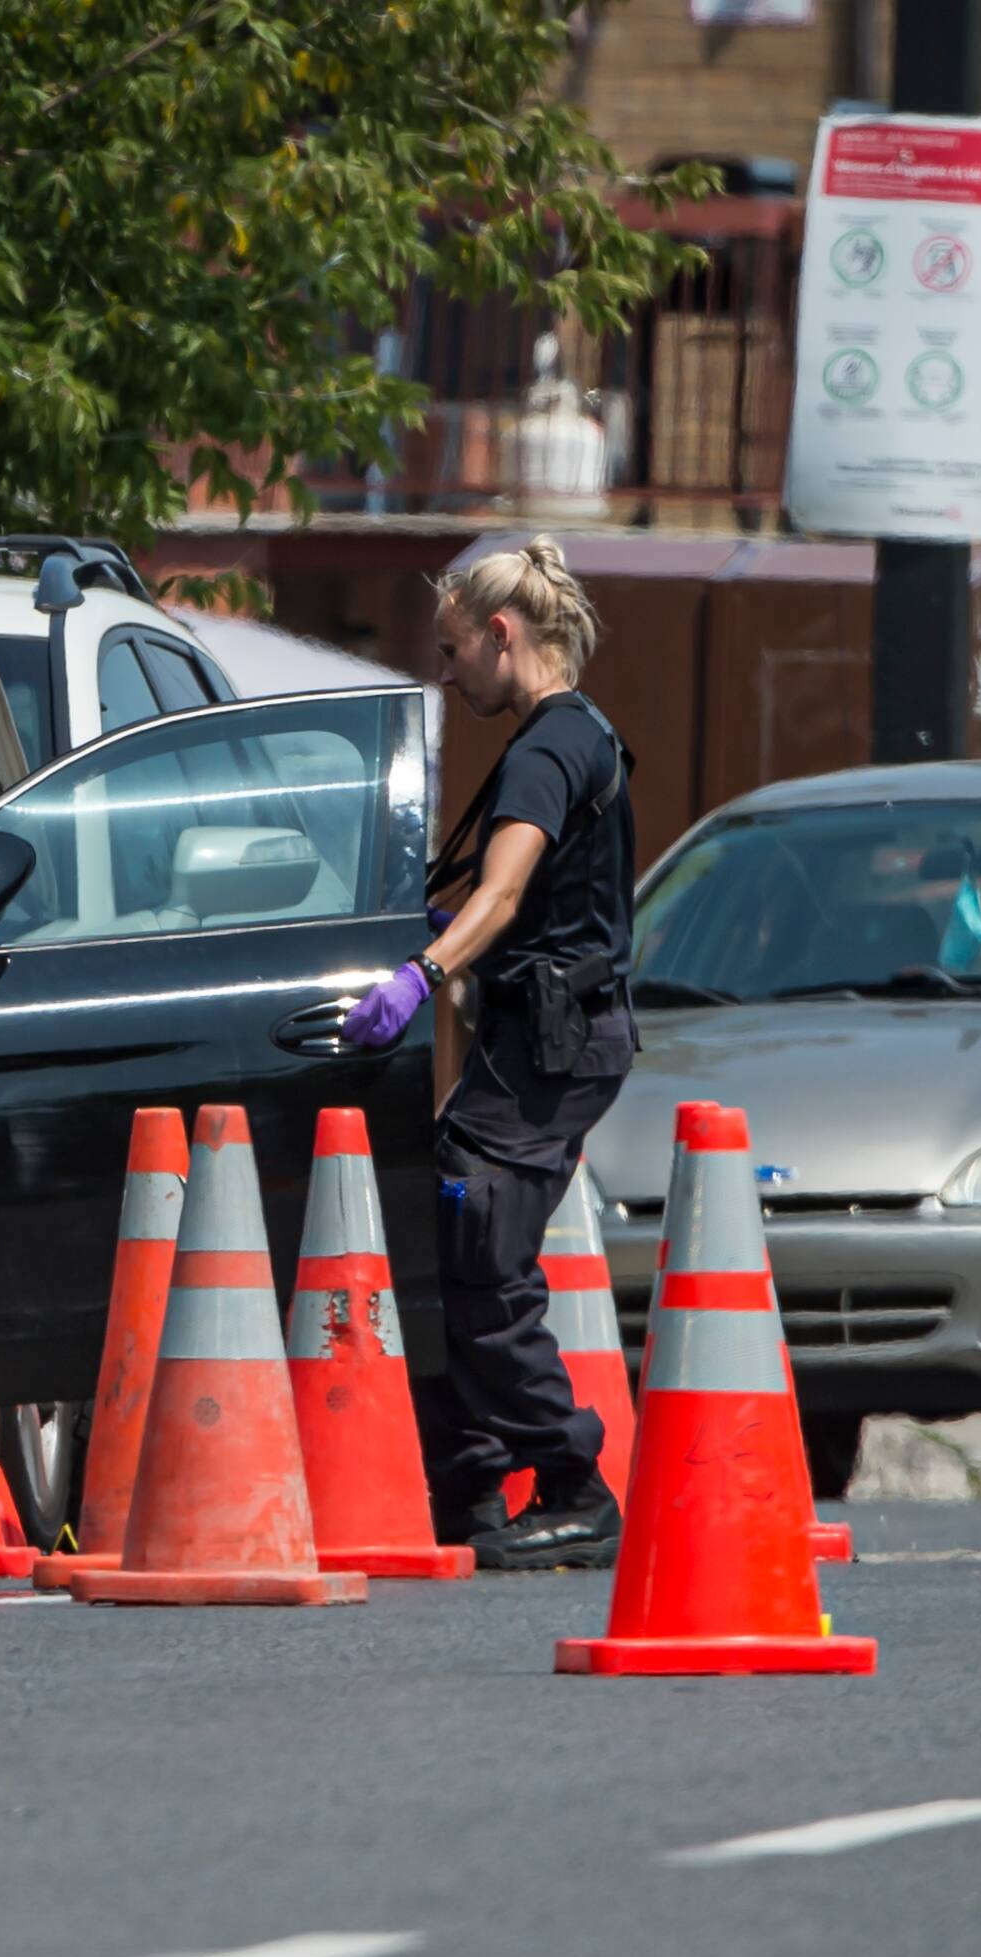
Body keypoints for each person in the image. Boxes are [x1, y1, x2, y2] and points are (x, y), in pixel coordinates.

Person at [338, 538, 636, 1569]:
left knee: (478, 1250)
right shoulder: (561, 738)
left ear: (501, 634)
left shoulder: (548, 748)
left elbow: (505, 892)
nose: (445, 670)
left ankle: (571, 1483)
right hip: (540, 1038)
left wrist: (419, 972)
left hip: (552, 1044)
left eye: (452, 648)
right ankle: (465, 1478)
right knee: (449, 1227)